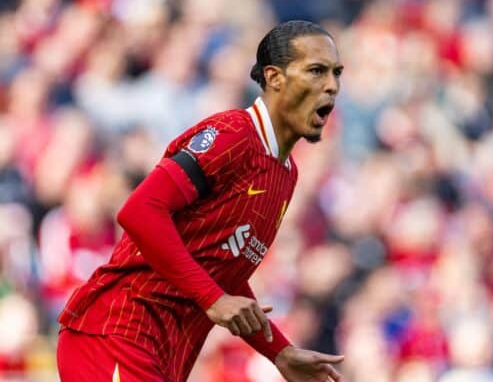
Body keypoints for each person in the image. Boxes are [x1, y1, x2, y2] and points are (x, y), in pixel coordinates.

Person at [56, 20, 345, 382]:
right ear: (275, 78)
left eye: (336, 73)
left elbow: (221, 269)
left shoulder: (285, 174)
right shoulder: (233, 135)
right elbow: (139, 211)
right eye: (316, 71)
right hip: (118, 331)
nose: (331, 86)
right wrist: (212, 299)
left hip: (164, 354)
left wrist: (280, 352)